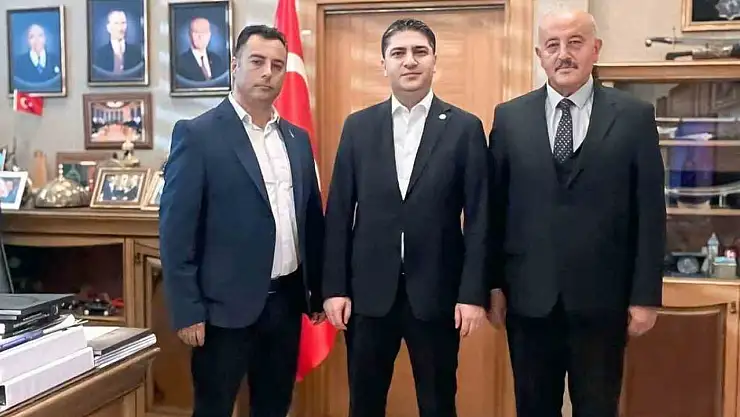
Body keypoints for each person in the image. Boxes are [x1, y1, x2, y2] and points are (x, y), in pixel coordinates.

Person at [487, 9, 666, 417]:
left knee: (598, 408)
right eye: (552, 45)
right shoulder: (509, 118)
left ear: (595, 49)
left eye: (575, 42)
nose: (563, 54)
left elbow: (650, 212)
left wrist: (645, 297)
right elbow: (494, 211)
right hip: (529, 301)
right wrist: (492, 285)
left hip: (604, 301)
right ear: (539, 54)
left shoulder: (634, 117)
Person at [322, 18, 489, 417]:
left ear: (434, 61)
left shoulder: (465, 128)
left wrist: (472, 294)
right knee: (364, 404)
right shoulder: (358, 127)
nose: (409, 61)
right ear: (384, 64)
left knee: (438, 403)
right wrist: (334, 288)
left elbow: (480, 217)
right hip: (367, 296)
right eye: (398, 53)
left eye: (420, 52)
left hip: (437, 294)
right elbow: (339, 212)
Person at [159, 24, 325, 417]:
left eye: (277, 65)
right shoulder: (198, 135)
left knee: (274, 406)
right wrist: (188, 310)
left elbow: (310, 222)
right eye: (257, 61)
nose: (268, 72)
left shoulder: (297, 140)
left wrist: (317, 290)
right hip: (222, 312)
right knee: (214, 408)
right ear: (235, 65)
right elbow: (176, 232)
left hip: (285, 304)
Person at [175, 17, 228, 83]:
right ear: (189, 34)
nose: (200, 36)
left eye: (204, 32)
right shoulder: (180, 62)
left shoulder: (217, 60)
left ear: (209, 35)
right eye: (196, 32)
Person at [93, 10, 143, 75]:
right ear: (108, 28)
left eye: (123, 23)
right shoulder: (99, 54)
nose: (120, 28)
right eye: (116, 23)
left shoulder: (136, 52)